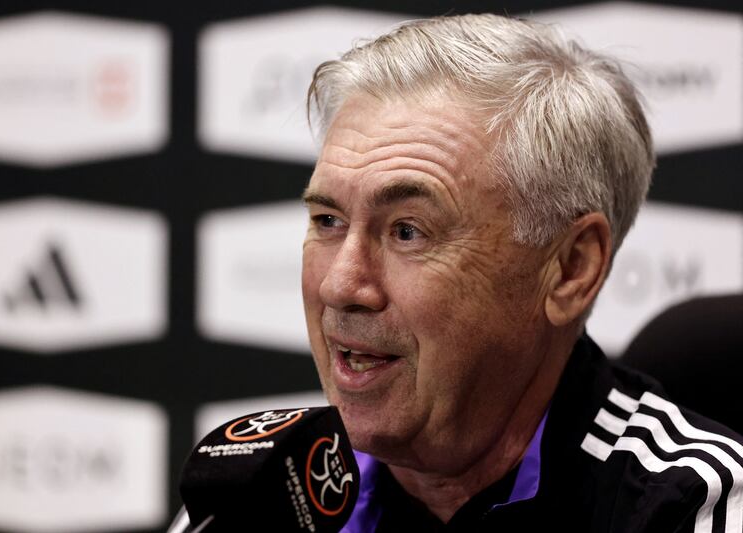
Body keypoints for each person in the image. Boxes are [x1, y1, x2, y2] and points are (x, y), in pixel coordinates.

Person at [300, 13, 743, 533]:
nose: (340, 284)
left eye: (408, 231)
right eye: (328, 221)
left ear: (570, 269)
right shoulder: (261, 498)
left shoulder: (691, 512)